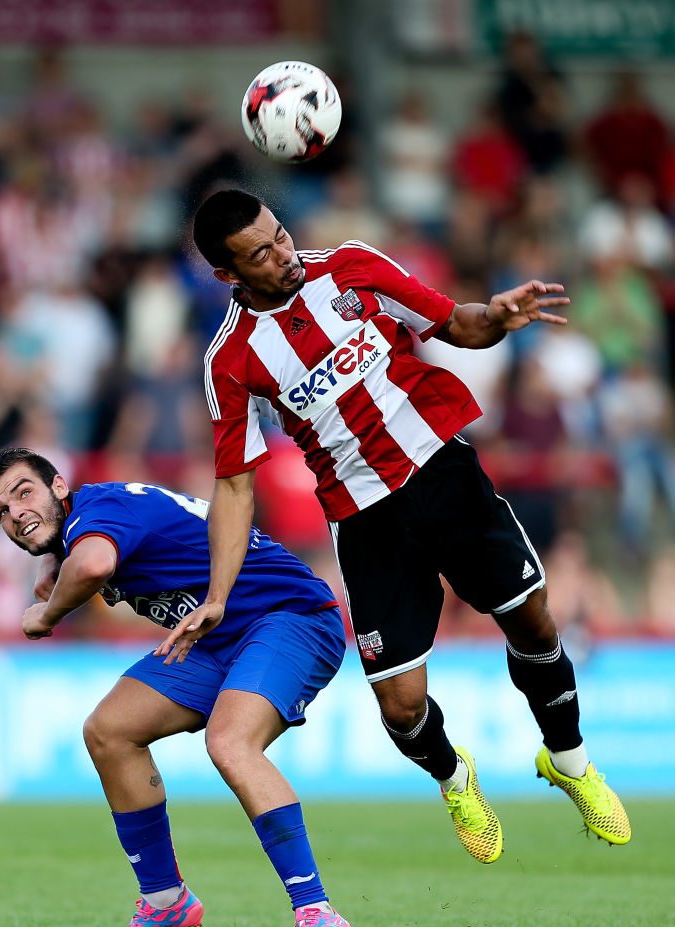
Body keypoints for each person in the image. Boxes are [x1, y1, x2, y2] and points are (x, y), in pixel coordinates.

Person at [160, 188, 632, 864]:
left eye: (281, 235)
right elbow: (235, 484)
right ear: (228, 275)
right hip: (364, 519)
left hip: (443, 472)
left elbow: (457, 324)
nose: (283, 254)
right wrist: (216, 595)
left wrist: (498, 316)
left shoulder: (351, 267)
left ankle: (572, 762)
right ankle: (454, 777)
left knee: (534, 618)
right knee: (402, 708)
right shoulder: (230, 360)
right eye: (260, 254)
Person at [0, 446, 354, 927]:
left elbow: (93, 564)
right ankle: (164, 900)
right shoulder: (83, 527)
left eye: (24, 493)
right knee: (109, 730)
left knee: (229, 741)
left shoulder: (97, 512)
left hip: (289, 615)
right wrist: (59, 567)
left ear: (60, 487)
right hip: (217, 636)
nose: (15, 513)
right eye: (0, 511)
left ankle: (316, 910)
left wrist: (48, 612)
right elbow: (87, 560)